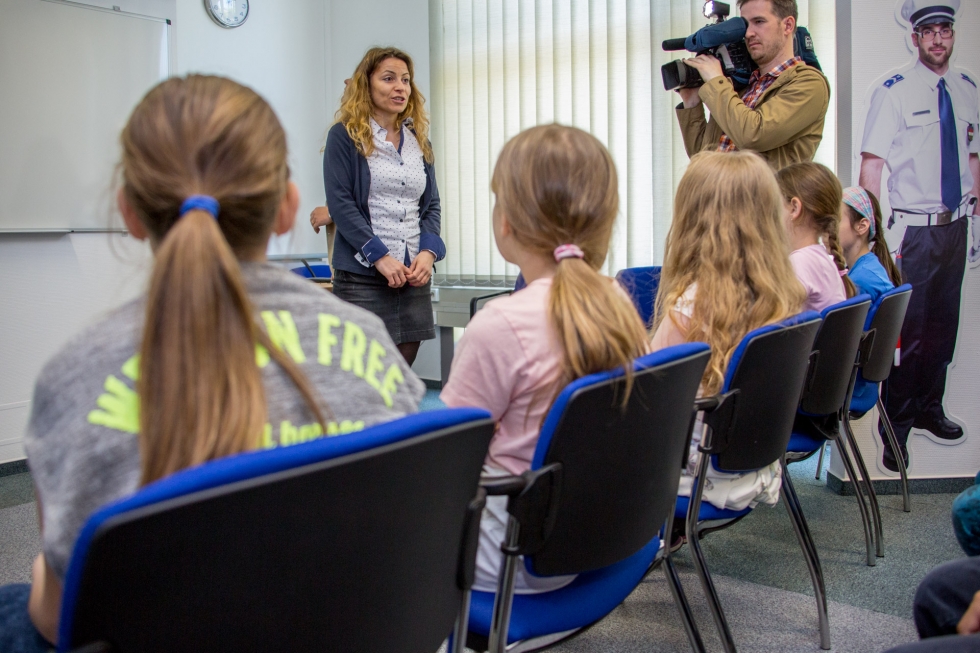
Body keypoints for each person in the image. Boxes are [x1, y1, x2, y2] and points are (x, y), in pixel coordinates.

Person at [0, 75, 424, 652]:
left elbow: (59, 619)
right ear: (288, 207)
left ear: (128, 210)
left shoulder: (74, 375)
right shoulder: (371, 341)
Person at [440, 125, 650, 593]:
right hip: (598, 539)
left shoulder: (500, 325)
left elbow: (447, 465)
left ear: (505, 222)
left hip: (508, 559)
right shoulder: (619, 304)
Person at [651, 150, 806, 514]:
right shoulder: (781, 298)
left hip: (697, 475)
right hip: (754, 467)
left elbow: (646, 407)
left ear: (692, 219)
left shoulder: (689, 310)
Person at [859, 0, 980, 464]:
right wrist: (874, 238)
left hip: (956, 226)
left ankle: (931, 408)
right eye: (927, 31)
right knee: (907, 335)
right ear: (914, 37)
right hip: (914, 232)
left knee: (942, 329)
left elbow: (971, 158)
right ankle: (897, 428)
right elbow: (873, 165)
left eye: (944, 30)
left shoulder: (967, 89)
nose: (937, 39)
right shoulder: (895, 92)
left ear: (952, 35)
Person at [323, 47, 445, 367]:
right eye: (388, 78)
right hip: (363, 276)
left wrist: (428, 252)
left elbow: (431, 205)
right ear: (366, 84)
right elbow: (341, 204)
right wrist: (379, 256)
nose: (400, 87)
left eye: (405, 80)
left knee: (400, 372)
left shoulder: (419, 140)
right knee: (361, 374)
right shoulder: (344, 137)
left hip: (412, 274)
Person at [675, 0, 830, 169]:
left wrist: (715, 81)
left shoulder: (809, 83)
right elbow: (704, 159)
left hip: (763, 195)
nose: (748, 33)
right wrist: (691, 102)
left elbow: (753, 135)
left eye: (759, 22)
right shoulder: (741, 84)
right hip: (716, 194)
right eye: (745, 25)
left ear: (787, 25)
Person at [776, 162, 855, 312]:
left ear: (794, 208)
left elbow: (766, 323)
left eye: (774, 205)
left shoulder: (800, 263)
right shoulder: (820, 259)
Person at [840, 186, 902, 302]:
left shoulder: (861, 281)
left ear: (862, 226)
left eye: (836, 220)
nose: (827, 226)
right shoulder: (869, 267)